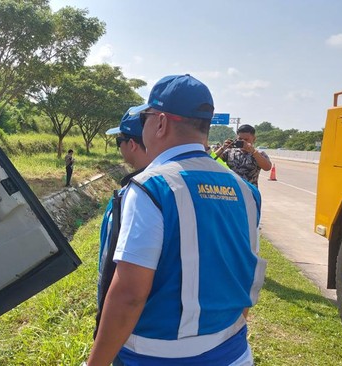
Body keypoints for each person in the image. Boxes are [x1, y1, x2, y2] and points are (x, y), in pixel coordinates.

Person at [87, 74, 266, 366]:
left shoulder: (150, 188)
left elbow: (129, 294)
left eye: (145, 118)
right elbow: (244, 271)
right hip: (234, 353)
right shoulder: (246, 191)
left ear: (160, 122)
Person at [95, 108, 151, 366]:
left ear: (131, 144)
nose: (119, 149)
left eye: (119, 142)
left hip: (133, 339)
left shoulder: (141, 197)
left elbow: (129, 290)